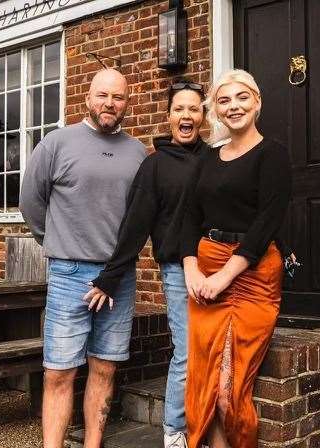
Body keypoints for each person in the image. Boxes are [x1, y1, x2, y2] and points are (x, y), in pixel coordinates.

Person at [19, 69, 146, 448]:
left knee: (105, 367)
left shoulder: (138, 152)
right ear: (87, 98)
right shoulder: (57, 143)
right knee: (59, 372)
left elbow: (140, 218)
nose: (110, 103)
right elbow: (31, 203)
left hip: (118, 278)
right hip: (69, 272)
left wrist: (116, 268)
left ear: (127, 103)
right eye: (103, 95)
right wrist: (58, 241)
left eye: (118, 97)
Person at [84, 79, 208, 448]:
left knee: (213, 353)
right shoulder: (153, 168)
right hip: (175, 271)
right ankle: (174, 431)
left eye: (194, 108)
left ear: (203, 115)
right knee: (187, 352)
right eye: (179, 109)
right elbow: (134, 227)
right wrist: (109, 277)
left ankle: (204, 426)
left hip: (218, 269)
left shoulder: (215, 159)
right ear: (169, 116)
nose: (186, 115)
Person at [181, 69, 292, 448]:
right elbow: (187, 219)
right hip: (206, 270)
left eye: (242, 97)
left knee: (229, 387)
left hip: (252, 275)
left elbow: (267, 223)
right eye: (225, 100)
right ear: (216, 110)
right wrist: (192, 268)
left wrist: (224, 277)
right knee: (205, 385)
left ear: (257, 102)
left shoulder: (272, 153)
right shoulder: (207, 159)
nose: (234, 107)